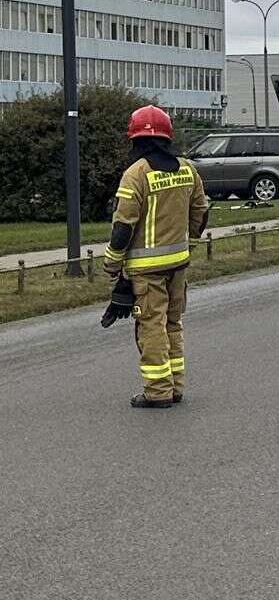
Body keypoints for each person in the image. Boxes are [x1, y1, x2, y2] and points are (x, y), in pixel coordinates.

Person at [103, 105, 208, 409]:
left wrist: (112, 263)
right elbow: (201, 212)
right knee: (173, 324)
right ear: (167, 136)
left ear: (134, 139)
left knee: (150, 327)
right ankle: (175, 386)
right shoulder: (187, 168)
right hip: (179, 264)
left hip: (146, 271)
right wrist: (187, 240)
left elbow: (123, 227)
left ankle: (157, 391)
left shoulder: (136, 175)